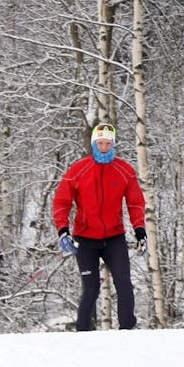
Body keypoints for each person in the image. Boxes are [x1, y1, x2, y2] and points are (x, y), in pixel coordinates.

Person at [53, 123, 146, 331]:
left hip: (114, 237)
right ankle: (83, 333)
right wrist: (63, 230)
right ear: (94, 143)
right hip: (85, 239)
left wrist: (140, 231)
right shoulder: (78, 169)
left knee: (123, 283)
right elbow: (61, 202)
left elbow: (135, 203)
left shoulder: (124, 170)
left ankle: (128, 331)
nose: (104, 147)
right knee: (91, 288)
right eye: (100, 143)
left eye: (108, 143)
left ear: (113, 144)